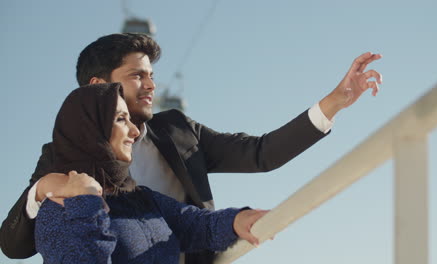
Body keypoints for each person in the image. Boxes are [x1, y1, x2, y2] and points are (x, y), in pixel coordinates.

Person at [0, 33, 383, 263]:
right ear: (97, 87)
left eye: (152, 75)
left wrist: (335, 102)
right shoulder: (62, 163)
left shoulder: (179, 132)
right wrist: (40, 191)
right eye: (137, 75)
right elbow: (15, 244)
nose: (151, 85)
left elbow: (260, 153)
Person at [34, 82, 267, 263]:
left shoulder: (140, 198)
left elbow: (195, 224)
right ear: (90, 130)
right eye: (121, 119)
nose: (135, 130)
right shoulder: (59, 211)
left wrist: (237, 220)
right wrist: (86, 204)